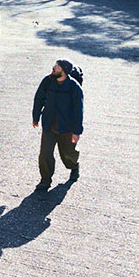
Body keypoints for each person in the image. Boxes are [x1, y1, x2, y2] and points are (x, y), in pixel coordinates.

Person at [32, 59, 83, 193]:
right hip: (49, 125)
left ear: (64, 70)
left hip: (67, 127)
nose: (53, 67)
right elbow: (38, 98)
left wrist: (77, 131)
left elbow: (79, 110)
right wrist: (35, 117)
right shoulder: (47, 81)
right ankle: (45, 180)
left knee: (67, 155)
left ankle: (74, 166)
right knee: (45, 154)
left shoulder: (74, 87)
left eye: (57, 66)